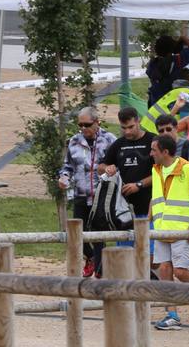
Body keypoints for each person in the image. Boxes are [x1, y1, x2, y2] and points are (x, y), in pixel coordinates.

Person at [147, 133, 189, 329]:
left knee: (180, 272)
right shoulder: (156, 169)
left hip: (181, 230)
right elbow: (156, 197)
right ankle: (172, 314)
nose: (151, 153)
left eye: (154, 150)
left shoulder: (188, 169)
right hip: (161, 229)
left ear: (165, 152)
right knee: (164, 270)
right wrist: (148, 220)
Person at [58, 107, 116, 277]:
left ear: (97, 122)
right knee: (75, 233)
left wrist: (111, 170)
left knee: (98, 234)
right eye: (80, 125)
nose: (83, 128)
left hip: (101, 196)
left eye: (87, 125)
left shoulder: (110, 140)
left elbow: (118, 165)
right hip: (81, 194)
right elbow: (67, 166)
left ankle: (100, 271)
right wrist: (64, 177)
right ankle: (90, 257)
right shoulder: (74, 141)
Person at [101, 107, 154, 222]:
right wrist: (107, 168)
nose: (127, 132)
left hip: (149, 209)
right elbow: (100, 167)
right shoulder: (119, 144)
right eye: (123, 128)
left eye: (131, 127)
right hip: (124, 211)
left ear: (138, 121)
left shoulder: (152, 141)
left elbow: (162, 173)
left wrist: (139, 185)